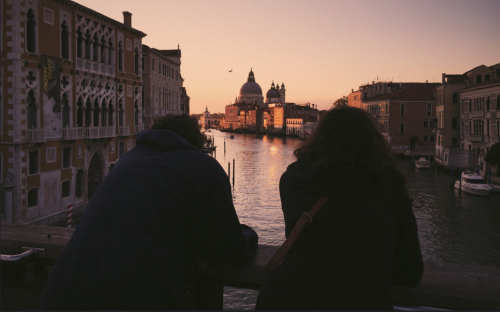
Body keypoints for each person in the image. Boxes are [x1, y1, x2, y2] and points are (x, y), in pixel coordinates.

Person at [40, 114, 257, 310]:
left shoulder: (127, 161)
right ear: (195, 144)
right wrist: (247, 235)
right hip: (133, 300)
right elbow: (230, 248)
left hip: (60, 296)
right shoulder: (203, 165)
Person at [256, 106, 423, 310]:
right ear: (372, 141)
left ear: (318, 137)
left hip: (286, 300)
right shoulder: (388, 184)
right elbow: (410, 272)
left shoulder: (293, 180)